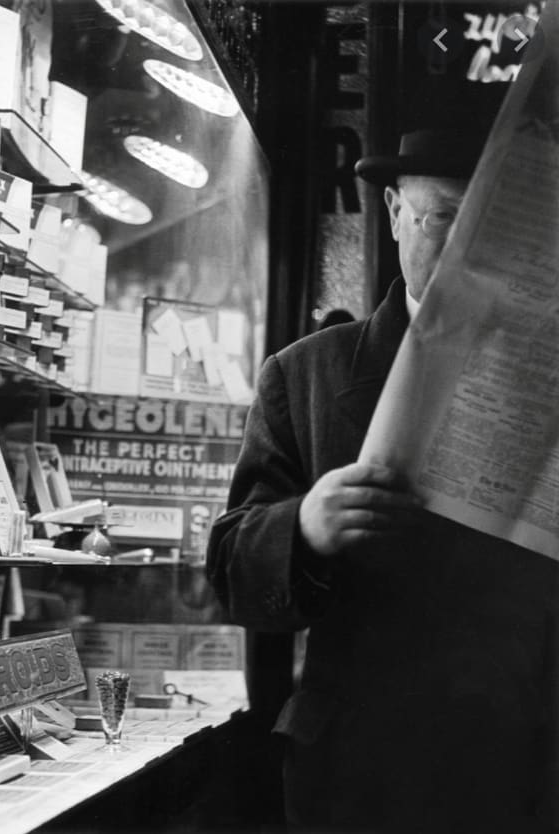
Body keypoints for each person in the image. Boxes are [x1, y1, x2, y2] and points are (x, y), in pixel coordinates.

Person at [206, 128, 558, 834]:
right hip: (362, 773)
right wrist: (305, 527)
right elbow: (228, 570)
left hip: (526, 766)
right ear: (395, 212)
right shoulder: (307, 373)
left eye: (492, 226)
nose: (469, 249)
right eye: (447, 218)